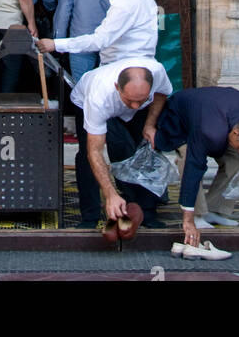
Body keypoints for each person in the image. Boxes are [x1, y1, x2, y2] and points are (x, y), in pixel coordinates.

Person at [152, 86, 239, 247]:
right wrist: (188, 218)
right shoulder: (209, 131)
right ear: (235, 133)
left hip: (212, 112)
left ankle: (214, 209)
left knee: (237, 160)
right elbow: (194, 168)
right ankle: (198, 215)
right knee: (187, 160)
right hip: (179, 119)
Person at [72, 58, 172, 228]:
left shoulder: (157, 71)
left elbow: (162, 93)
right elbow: (94, 152)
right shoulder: (98, 97)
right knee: (87, 157)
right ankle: (90, 216)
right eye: (129, 101)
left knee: (144, 148)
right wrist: (110, 194)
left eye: (140, 100)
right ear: (117, 87)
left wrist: (149, 125)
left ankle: (145, 211)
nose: (134, 106)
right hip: (86, 103)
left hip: (136, 108)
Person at [37, 0, 158, 64]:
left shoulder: (125, 4)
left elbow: (100, 40)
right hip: (134, 63)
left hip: (125, 66)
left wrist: (56, 44)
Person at [53, 0, 108, 83]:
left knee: (81, 84)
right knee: (107, 83)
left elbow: (63, 13)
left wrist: (59, 41)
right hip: (108, 39)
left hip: (80, 39)